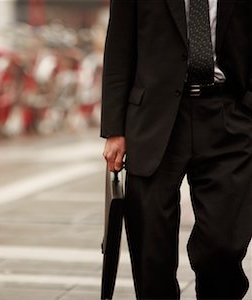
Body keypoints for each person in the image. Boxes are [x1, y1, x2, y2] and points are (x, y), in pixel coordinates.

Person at [101, 0, 251, 299]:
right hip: (154, 119)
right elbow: (118, 48)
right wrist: (114, 130)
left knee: (222, 245)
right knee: (151, 248)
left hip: (227, 117)